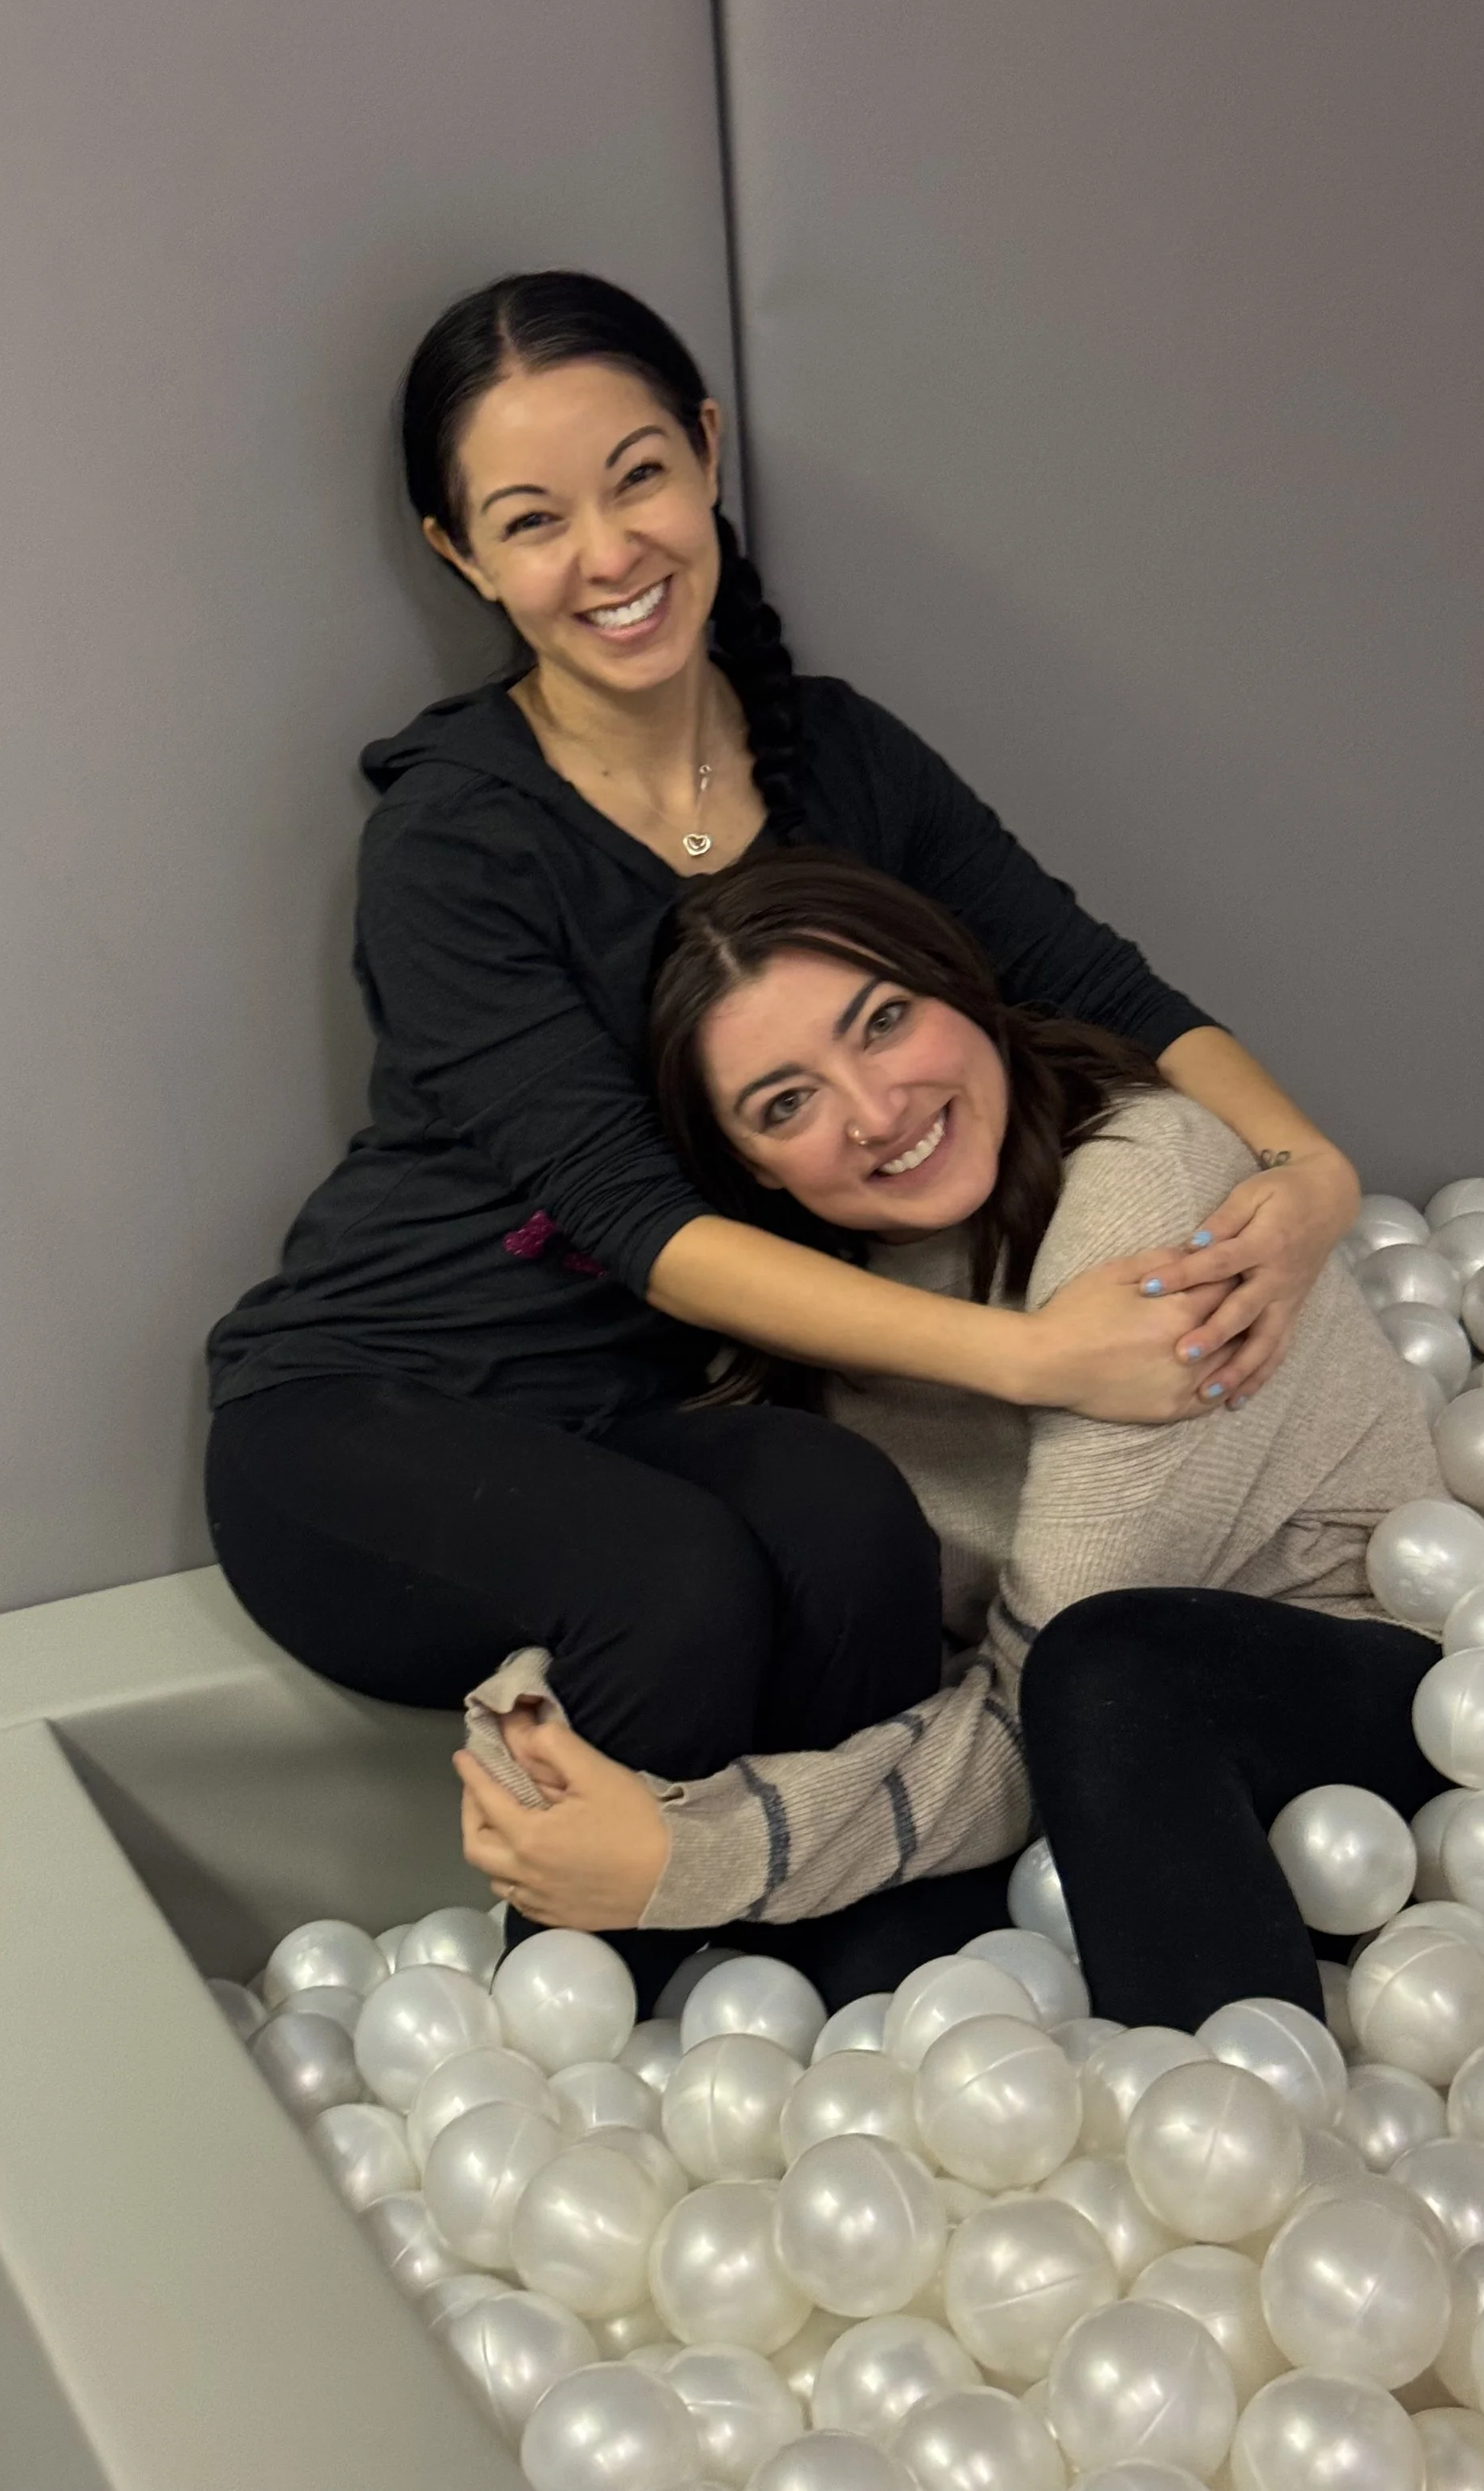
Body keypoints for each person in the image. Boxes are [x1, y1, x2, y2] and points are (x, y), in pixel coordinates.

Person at [204, 270, 1363, 1930]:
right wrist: (1033, 1358)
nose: (607, 555)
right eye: (532, 521)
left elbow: (1100, 982)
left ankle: (871, 1973)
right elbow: (644, 1229)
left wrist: (1304, 1166)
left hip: (653, 1415)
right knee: (669, 1585)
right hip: (362, 1418)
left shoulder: (837, 760)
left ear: (705, 451)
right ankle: (625, 2036)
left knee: (846, 1518)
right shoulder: (455, 843)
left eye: (637, 478)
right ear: (462, 559)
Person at [456, 850, 1444, 2028]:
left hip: (1355, 1717)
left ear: (958, 985)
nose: (877, 1115)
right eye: (788, 1103)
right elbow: (684, 1511)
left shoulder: (1144, 1198)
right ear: (742, 1169)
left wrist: (688, 1857)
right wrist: (534, 1730)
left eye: (883, 1023)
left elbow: (1051, 1693)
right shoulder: (819, 1309)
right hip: (1061, 1766)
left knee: (1109, 1670)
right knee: (870, 1992)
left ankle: (1241, 2141)